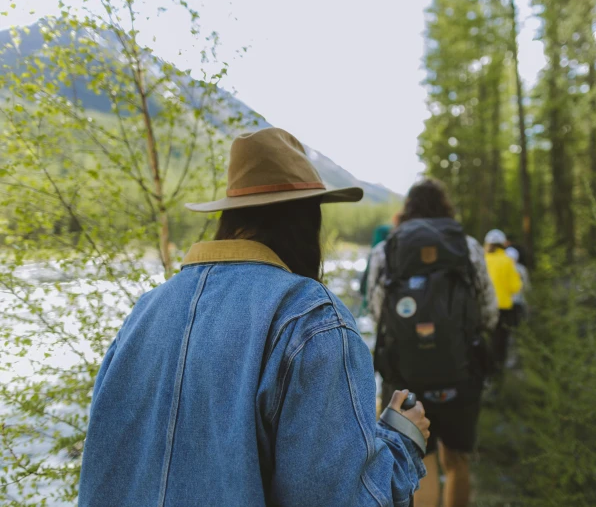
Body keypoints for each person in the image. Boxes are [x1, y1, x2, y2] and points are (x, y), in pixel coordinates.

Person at [78, 128, 430, 507]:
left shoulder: (146, 311)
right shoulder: (311, 318)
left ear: (230, 217)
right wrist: (402, 440)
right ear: (305, 222)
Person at [366, 179, 498, 507]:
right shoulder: (467, 246)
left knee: (415, 461)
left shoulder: (387, 250)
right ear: (445, 209)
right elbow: (489, 311)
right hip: (460, 373)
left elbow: (377, 310)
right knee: (457, 462)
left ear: (407, 210)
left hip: (404, 378)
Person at [484, 229, 523, 371]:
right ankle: (498, 372)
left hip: (485, 308)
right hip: (504, 308)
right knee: (501, 342)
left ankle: (486, 370)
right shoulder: (507, 261)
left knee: (486, 340)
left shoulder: (482, 260)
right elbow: (516, 287)